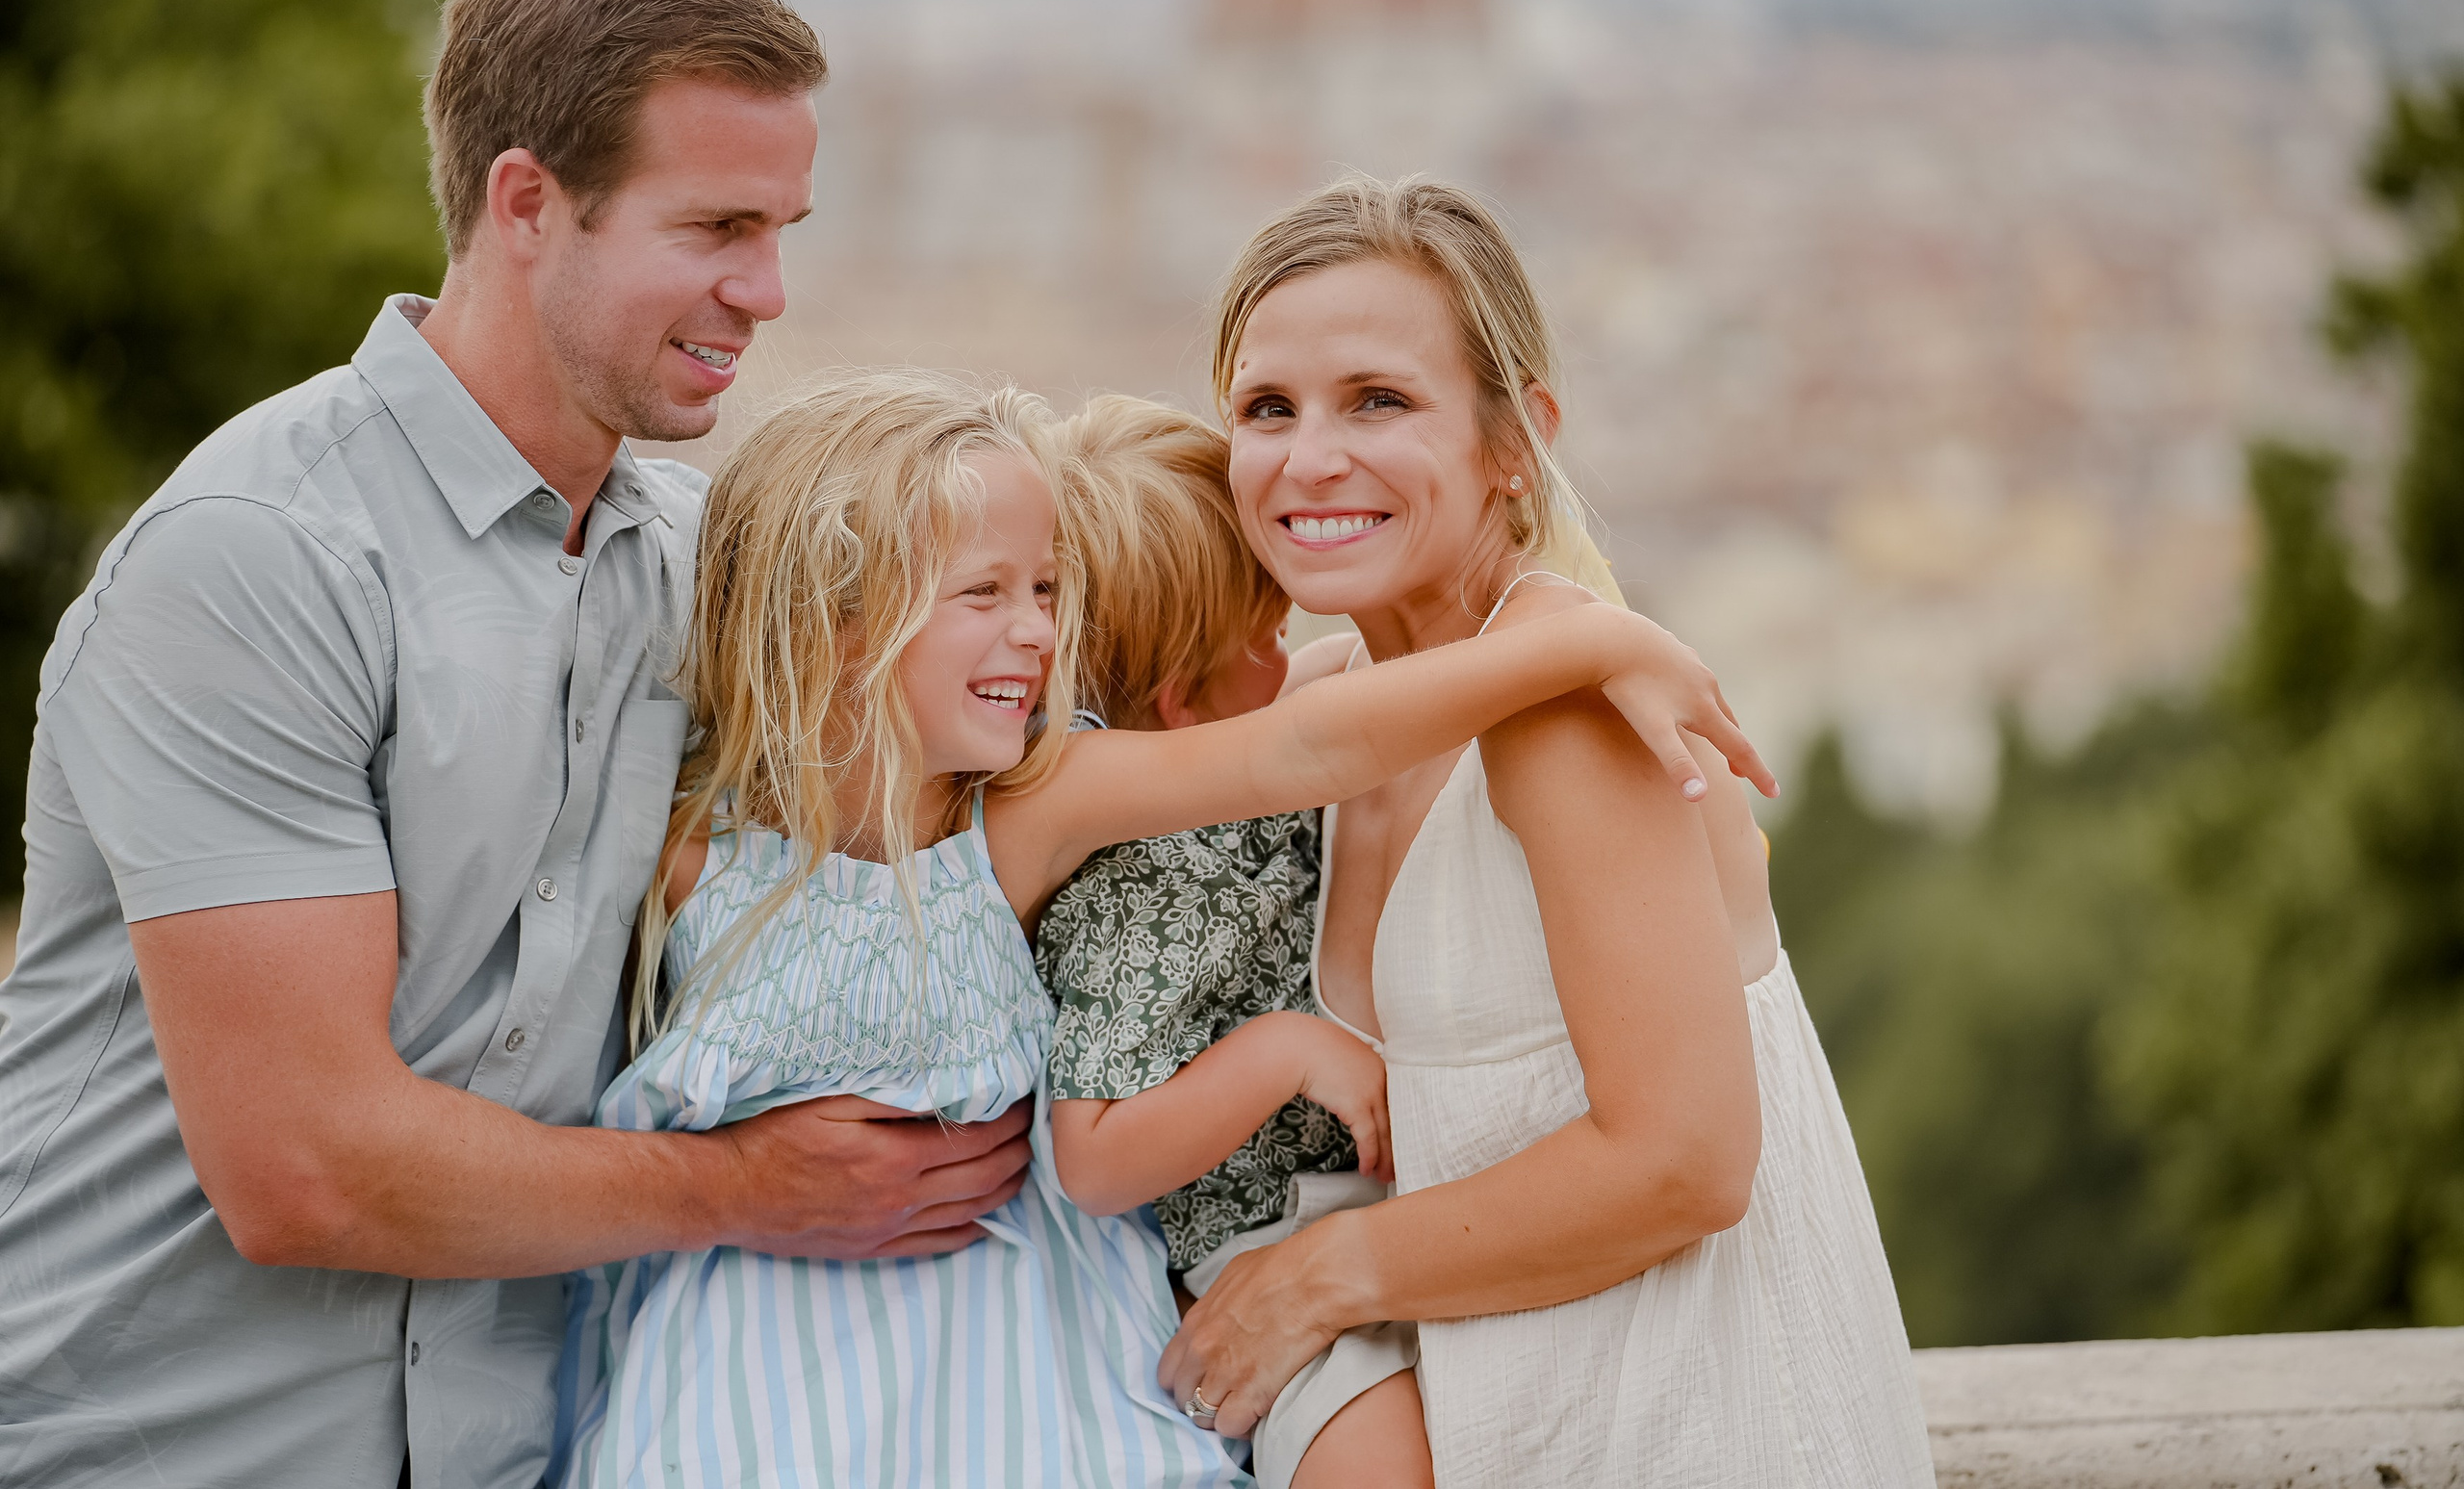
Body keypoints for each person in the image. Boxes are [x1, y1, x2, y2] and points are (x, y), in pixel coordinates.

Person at [0, 0, 1034, 1489]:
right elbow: (305, 1168)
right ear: (528, 202)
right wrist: (753, 1186)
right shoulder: (258, 563)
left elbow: (990, 750)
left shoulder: (706, 565)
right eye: (717, 227)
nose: (766, 290)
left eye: (784, 228)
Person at [546, 370, 1765, 1487]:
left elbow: (1306, 741)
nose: (1036, 633)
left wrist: (1585, 639)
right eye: (984, 593)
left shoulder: (1025, 808)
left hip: (1018, 1362)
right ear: (838, 622)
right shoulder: (684, 852)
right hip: (750, 1373)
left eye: (1046, 591)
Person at [1158, 175, 1937, 1488]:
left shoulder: (1560, 714)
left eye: (1380, 400)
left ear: (1514, 440)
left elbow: (1685, 1158)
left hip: (1704, 1432)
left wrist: (1319, 1277)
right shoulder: (1327, 712)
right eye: (1266, 408)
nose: (1310, 456)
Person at [1037, 396, 1429, 1489]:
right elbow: (1094, 1157)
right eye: (1262, 638)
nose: (1287, 655)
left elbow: (1342, 693)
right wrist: (1288, 1053)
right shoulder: (1144, 882)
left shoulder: (1229, 751)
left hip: (1357, 1209)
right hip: (1256, 1242)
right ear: (1178, 705)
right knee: (1380, 1451)